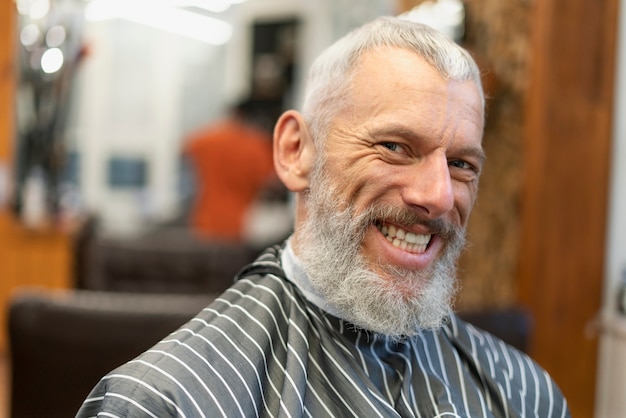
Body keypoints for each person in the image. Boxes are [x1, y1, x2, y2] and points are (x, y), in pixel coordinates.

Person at [77, 16, 570, 417]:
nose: (439, 196)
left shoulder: (523, 396)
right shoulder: (170, 403)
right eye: (394, 147)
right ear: (295, 152)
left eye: (461, 164)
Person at [182, 98, 279, 242]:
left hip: (204, 222)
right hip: (240, 226)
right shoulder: (259, 146)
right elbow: (271, 184)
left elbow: (185, 154)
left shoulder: (204, 139)